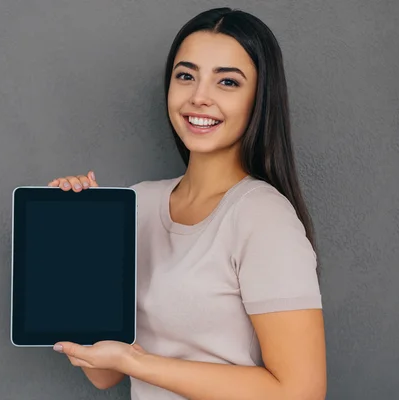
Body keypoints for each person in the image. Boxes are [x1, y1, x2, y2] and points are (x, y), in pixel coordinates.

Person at [47, 7, 326, 400]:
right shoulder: (137, 204)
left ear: (259, 98)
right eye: (186, 75)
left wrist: (139, 364)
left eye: (227, 82)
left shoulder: (263, 218)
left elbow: (302, 392)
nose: (199, 97)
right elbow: (104, 374)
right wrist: (75, 242)